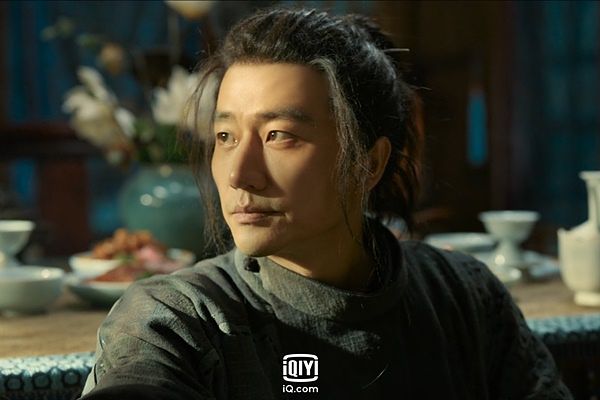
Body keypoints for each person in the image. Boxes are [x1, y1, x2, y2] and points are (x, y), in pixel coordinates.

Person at [79, 7, 572, 400]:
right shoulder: (175, 321)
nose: (237, 173)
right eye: (225, 136)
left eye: (279, 135)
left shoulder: (463, 297)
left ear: (369, 163)